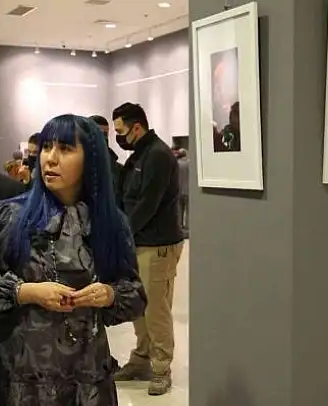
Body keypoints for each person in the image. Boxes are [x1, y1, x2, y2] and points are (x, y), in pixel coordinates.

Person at [0, 114, 146, 405]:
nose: (50, 159)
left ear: (90, 159)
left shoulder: (110, 222)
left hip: (88, 375)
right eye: (46, 147)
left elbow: (135, 295)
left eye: (65, 149)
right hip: (24, 377)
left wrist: (108, 295)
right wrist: (26, 292)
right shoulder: (11, 216)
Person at [111, 102, 184, 395]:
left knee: (156, 309)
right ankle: (142, 358)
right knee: (137, 305)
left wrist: (122, 234)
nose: (118, 137)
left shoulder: (158, 156)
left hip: (157, 245)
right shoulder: (138, 156)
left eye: (120, 131)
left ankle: (161, 368)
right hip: (138, 242)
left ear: (136, 127)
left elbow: (148, 204)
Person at [90, 115, 124, 203]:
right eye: (97, 134)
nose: (102, 138)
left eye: (105, 134)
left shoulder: (119, 170)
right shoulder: (75, 167)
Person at [173, 148, 189, 238]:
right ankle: (187, 230)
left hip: (178, 190)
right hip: (188, 190)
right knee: (188, 211)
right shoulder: (190, 163)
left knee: (179, 211)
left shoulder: (176, 164)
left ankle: (179, 229)